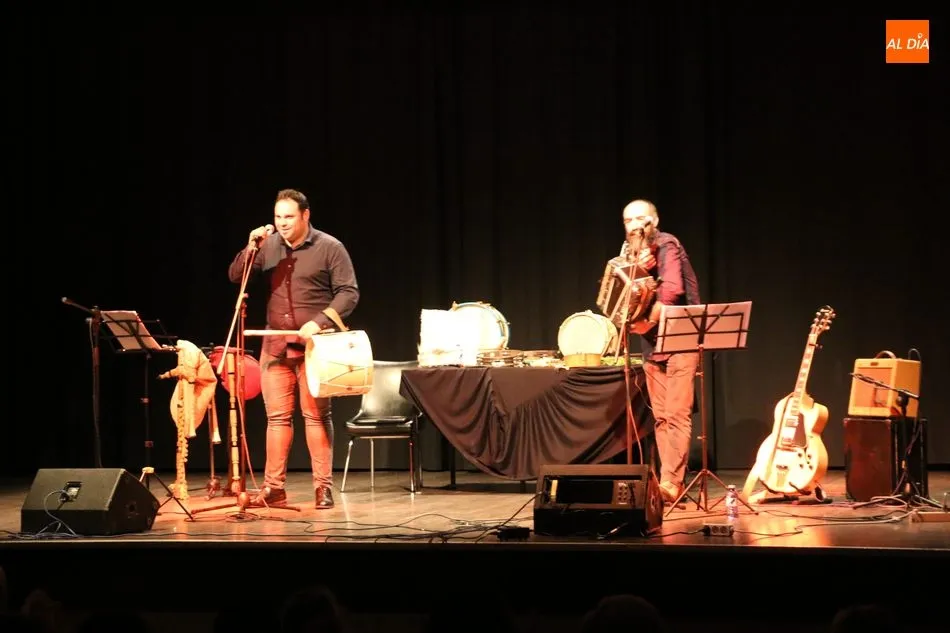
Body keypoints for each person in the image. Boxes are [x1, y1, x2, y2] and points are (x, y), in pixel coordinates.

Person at [228, 188, 359, 509]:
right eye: (278, 217)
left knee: (315, 416)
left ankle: (322, 487)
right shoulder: (268, 246)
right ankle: (274, 488)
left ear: (305, 215)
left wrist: (319, 321)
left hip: (315, 347)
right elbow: (236, 277)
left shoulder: (330, 247)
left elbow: (349, 293)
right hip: (274, 344)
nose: (283, 223)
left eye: (289, 217)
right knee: (276, 418)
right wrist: (250, 246)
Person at [616, 199, 701, 504]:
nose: (635, 224)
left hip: (680, 338)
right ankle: (667, 480)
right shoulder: (628, 256)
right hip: (652, 344)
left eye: (641, 218)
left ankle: (671, 483)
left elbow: (673, 289)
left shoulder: (667, 245)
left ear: (654, 220)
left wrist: (646, 320)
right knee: (662, 417)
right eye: (628, 220)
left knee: (677, 414)